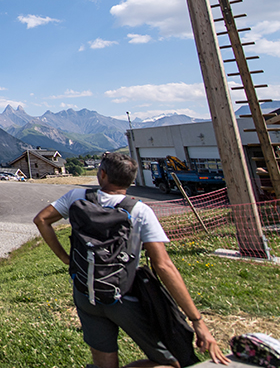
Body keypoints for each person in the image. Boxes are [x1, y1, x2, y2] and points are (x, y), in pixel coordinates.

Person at [33, 152, 229, 368]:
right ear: (131, 180)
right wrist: (197, 320)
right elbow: (163, 266)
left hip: (85, 293)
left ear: (103, 174)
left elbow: (41, 220)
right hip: (123, 296)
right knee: (173, 364)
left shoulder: (76, 197)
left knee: (104, 363)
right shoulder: (140, 211)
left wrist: (65, 258)